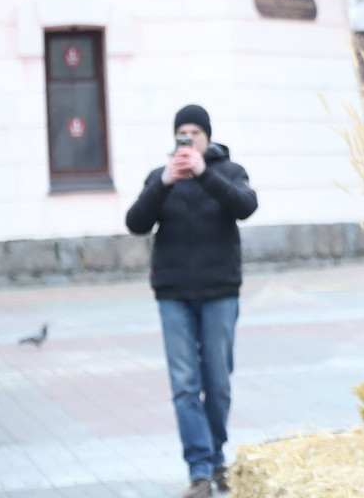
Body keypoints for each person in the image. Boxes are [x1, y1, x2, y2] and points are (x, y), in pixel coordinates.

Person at [126, 105, 258, 498]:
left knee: (216, 382)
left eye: (195, 133)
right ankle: (199, 470)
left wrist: (204, 172)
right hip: (173, 295)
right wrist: (164, 182)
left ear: (207, 138)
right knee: (185, 384)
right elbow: (136, 223)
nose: (188, 139)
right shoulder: (160, 177)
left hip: (219, 291)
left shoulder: (229, 171)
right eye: (182, 133)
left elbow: (246, 207)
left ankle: (217, 458)